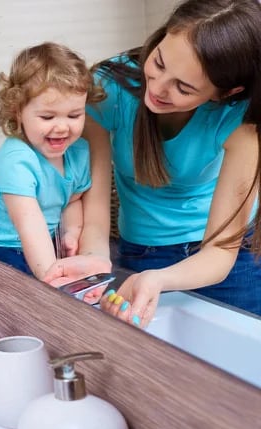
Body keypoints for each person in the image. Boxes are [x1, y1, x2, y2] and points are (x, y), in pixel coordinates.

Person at [43, 0, 261, 327]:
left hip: (227, 265)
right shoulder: (109, 88)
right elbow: (96, 208)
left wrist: (158, 280)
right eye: (158, 62)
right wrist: (96, 261)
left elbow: (220, 252)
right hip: (143, 253)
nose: (157, 88)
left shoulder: (241, 119)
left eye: (184, 87)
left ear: (226, 92)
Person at [0, 42, 105, 293]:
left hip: (37, 244)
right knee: (34, 295)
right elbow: (29, 223)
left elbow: (73, 199)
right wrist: (52, 276)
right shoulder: (16, 159)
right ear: (18, 113)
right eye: (48, 117)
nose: (62, 127)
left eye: (74, 116)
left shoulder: (78, 153)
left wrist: (72, 232)